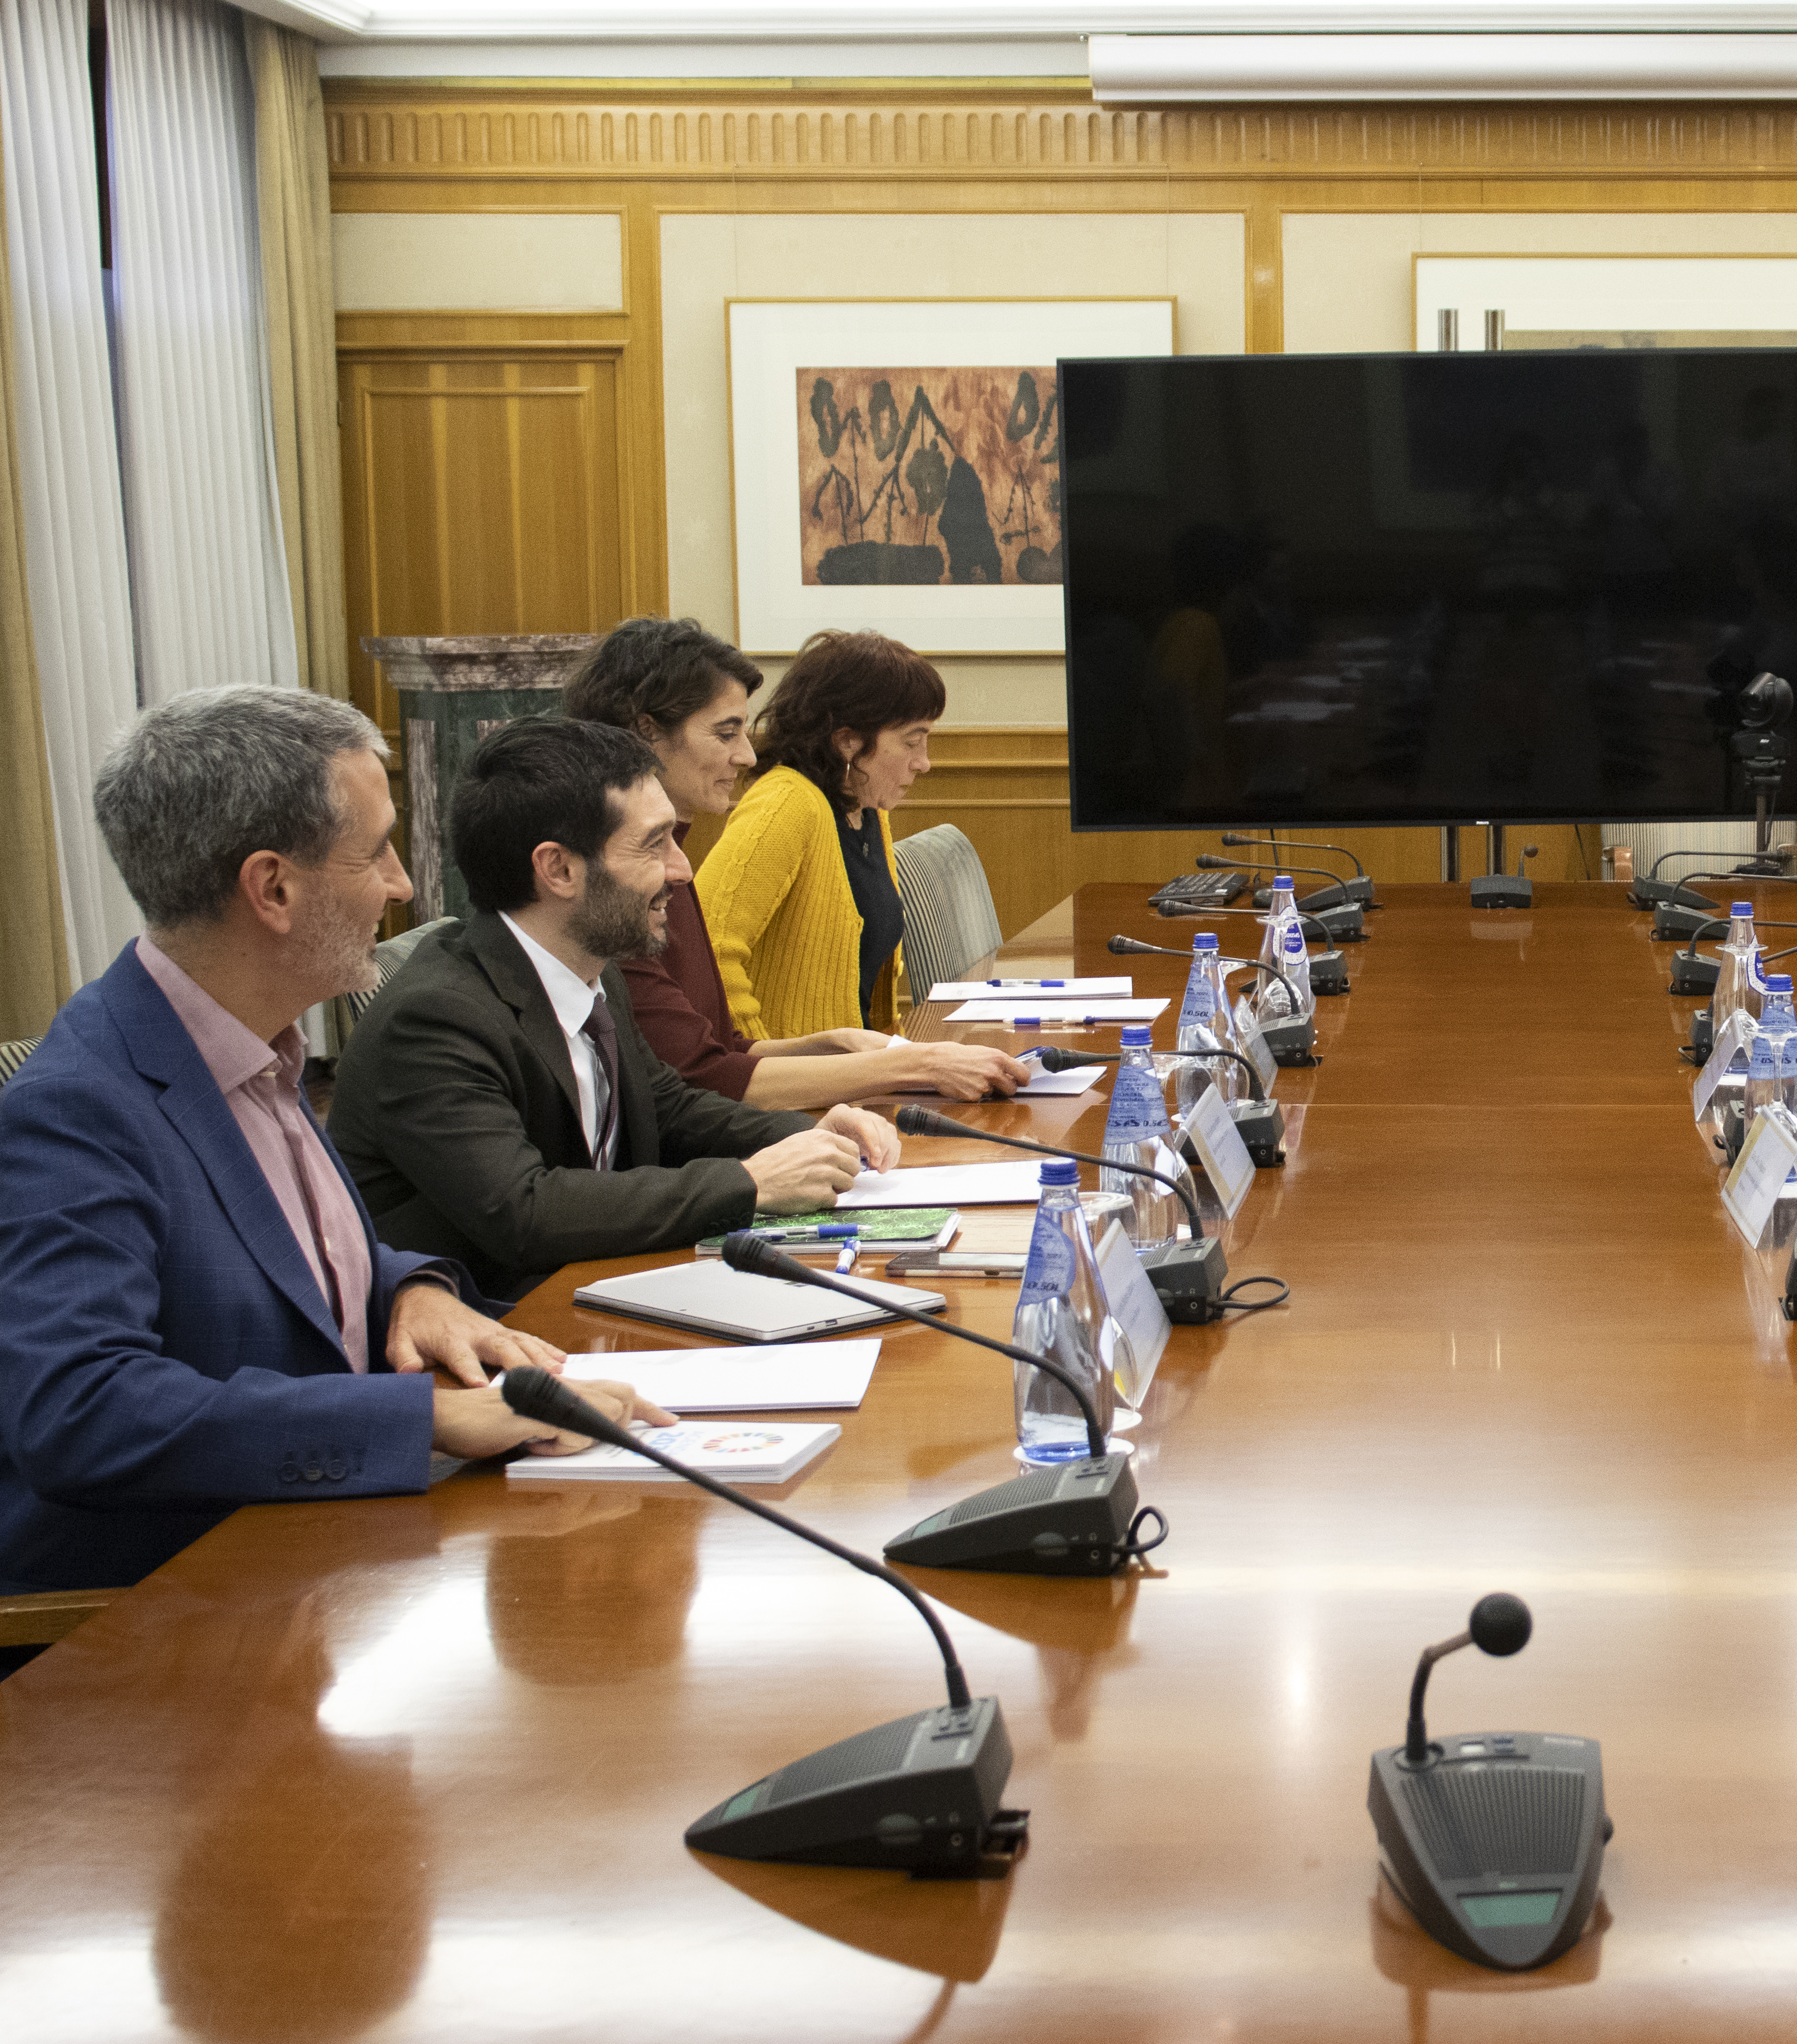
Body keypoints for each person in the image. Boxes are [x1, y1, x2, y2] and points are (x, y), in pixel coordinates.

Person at [0, 688, 665, 1612]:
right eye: (377, 850)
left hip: (325, 1567)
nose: (402, 884)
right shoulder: (78, 1108)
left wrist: (414, 1289)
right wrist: (425, 1415)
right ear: (272, 888)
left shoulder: (253, 1043)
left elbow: (278, 1257)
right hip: (164, 1624)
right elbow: (83, 1410)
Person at [331, 717, 898, 1301]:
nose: (681, 869)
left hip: (596, 1295)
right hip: (499, 1334)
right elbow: (526, 1211)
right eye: (655, 844)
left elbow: (665, 1107)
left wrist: (806, 1133)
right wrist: (750, 1181)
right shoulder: (435, 1017)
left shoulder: (593, 967)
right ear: (559, 869)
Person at [560, 617, 1029, 1107]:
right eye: (726, 734)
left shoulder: (858, 811)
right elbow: (699, 1076)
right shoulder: (613, 887)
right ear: (645, 733)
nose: (745, 757)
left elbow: (716, 1046)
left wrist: (837, 1045)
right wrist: (904, 1066)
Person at [694, 629, 942, 1042]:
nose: (924, 763)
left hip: (854, 1077)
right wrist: (761, 1061)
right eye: (912, 742)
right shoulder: (787, 804)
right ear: (847, 741)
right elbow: (708, 947)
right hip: (796, 1094)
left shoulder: (867, 811)